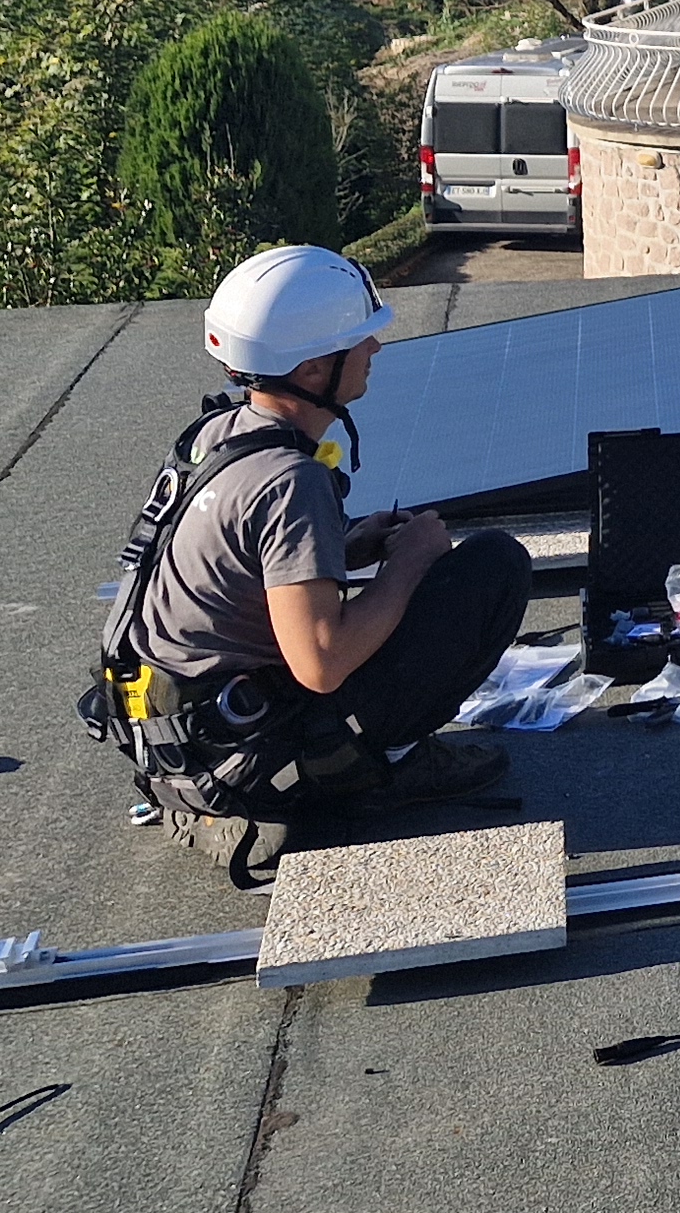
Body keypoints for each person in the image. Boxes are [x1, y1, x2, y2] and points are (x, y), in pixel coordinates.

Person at [90, 244, 534, 880]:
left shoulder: (218, 437)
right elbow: (320, 664)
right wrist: (408, 563)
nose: (375, 351)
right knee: (493, 567)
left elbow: (240, 566)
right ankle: (383, 770)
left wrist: (352, 543)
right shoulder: (289, 480)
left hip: (189, 750)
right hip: (251, 768)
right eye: (362, 340)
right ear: (313, 366)